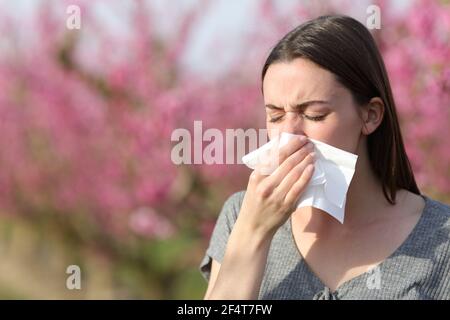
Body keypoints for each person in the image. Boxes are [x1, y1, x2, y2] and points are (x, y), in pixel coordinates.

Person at [199, 15, 450, 300]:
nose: (290, 135)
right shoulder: (240, 215)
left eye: (314, 115)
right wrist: (253, 233)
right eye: (276, 116)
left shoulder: (441, 239)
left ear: (370, 115)